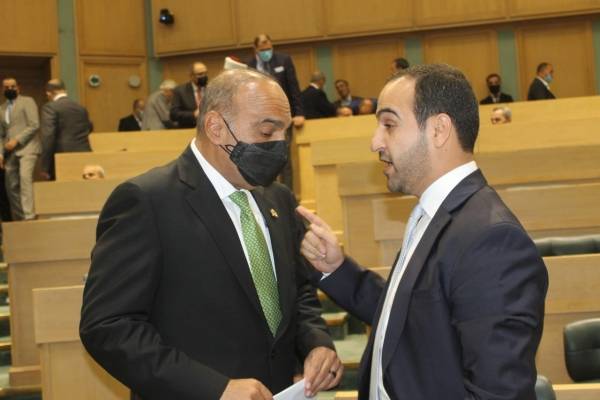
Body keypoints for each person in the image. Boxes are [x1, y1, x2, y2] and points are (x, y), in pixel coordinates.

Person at [80, 68, 342, 400]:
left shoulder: (279, 198)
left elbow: (298, 291)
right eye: (266, 131)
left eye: (284, 131)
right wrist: (213, 389)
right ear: (216, 127)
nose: (280, 144)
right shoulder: (146, 201)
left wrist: (316, 343)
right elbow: (108, 326)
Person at [297, 64, 548, 399]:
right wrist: (337, 269)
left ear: (439, 130)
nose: (375, 142)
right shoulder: (437, 213)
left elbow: (498, 393)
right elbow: (410, 315)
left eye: (389, 125)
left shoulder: (493, 240)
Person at [247, 33, 305, 189]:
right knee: (263, 158)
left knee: (284, 158)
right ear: (255, 49)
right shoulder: (249, 66)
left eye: (269, 48)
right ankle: (266, 194)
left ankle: (287, 194)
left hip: (282, 118)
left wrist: (299, 113)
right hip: (259, 120)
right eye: (262, 49)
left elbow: (293, 88)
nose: (267, 51)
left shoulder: (284, 60)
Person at [0, 77, 40, 220]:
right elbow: (1, 134)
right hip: (9, 153)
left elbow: (34, 125)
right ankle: (19, 217)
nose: (10, 89)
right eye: (6, 87)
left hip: (28, 148)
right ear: (2, 89)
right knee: (10, 185)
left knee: (25, 179)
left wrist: (17, 140)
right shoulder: (1, 108)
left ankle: (29, 216)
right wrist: (0, 154)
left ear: (18, 87)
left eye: (13, 86)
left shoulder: (27, 101)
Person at [40, 78, 93, 180]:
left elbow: (48, 136)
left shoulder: (50, 107)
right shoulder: (80, 107)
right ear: (64, 90)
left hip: (62, 158)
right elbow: (89, 128)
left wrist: (45, 166)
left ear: (49, 93)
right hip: (85, 153)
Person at [170, 62, 208, 128]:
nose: (203, 76)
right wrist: (193, 115)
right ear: (191, 76)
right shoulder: (180, 91)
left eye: (205, 73)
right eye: (200, 74)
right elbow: (174, 114)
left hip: (208, 128)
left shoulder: (211, 89)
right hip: (188, 129)